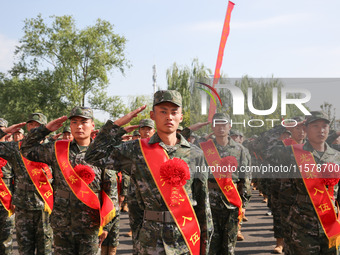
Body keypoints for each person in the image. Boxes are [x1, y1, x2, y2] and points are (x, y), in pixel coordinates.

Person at [85, 90, 213, 254]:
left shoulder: (195, 154)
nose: (169, 117)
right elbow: (94, 156)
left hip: (185, 240)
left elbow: (203, 204)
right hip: (149, 240)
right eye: (163, 112)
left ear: (181, 117)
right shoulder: (136, 150)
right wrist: (117, 125)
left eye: (174, 112)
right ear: (153, 115)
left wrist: (205, 246)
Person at [20, 107, 119, 255]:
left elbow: (110, 192)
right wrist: (45, 129)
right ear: (70, 126)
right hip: (62, 224)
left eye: (84, 122)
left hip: (91, 225)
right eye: (74, 122)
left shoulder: (102, 153)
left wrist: (106, 226)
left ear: (92, 125)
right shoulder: (58, 149)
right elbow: (26, 149)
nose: (79, 126)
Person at [270, 111, 340, 254]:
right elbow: (270, 154)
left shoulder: (336, 156)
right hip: (301, 223)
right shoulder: (291, 153)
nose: (321, 130)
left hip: (330, 221)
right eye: (315, 126)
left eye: (324, 126)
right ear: (306, 129)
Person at [0, 113, 53, 255]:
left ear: (44, 128)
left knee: (46, 250)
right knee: (25, 250)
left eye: (37, 125)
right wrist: (4, 132)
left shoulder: (53, 149)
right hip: (23, 207)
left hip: (46, 208)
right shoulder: (15, 148)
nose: (34, 128)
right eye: (31, 124)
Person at [199, 113, 251, 255]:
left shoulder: (240, 150)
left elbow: (245, 177)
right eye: (217, 124)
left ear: (230, 126)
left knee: (228, 244)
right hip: (209, 201)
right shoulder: (204, 148)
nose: (221, 127)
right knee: (209, 243)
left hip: (231, 200)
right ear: (212, 127)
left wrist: (243, 203)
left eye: (224, 124)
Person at [0, 118, 15, 255]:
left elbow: (17, 177)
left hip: (6, 203)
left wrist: (15, 199)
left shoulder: (12, 151)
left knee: (6, 241)